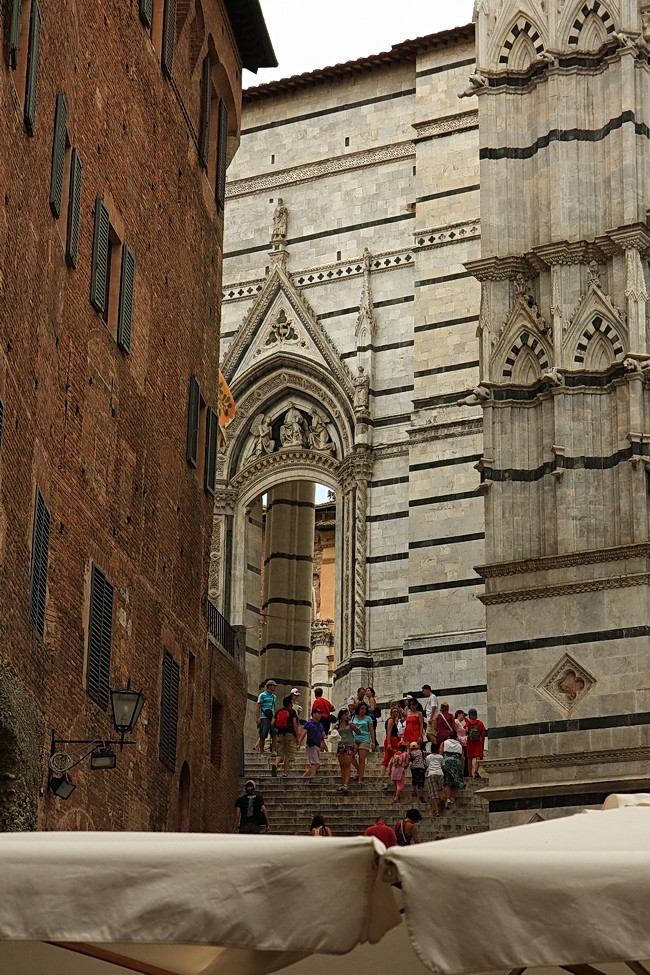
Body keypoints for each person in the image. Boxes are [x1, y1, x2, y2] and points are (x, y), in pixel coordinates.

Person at [273, 694, 302, 776]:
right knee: (288, 754)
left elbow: (272, 723)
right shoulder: (292, 712)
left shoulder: (278, 711)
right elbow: (295, 724)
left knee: (280, 753)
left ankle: (275, 764)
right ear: (290, 704)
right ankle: (285, 772)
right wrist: (297, 737)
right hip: (289, 734)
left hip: (280, 734)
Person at [351, 701, 375, 784]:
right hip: (354, 739)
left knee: (361, 758)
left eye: (365, 709)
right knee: (351, 756)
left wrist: (373, 741)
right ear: (358, 709)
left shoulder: (368, 718)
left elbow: (371, 730)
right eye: (362, 708)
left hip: (364, 739)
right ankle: (359, 770)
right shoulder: (353, 717)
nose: (363, 710)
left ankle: (360, 779)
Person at [442, 731, 464, 811]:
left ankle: (447, 799)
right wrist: (462, 767)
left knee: (447, 781)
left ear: (449, 736)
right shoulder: (459, 745)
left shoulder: (445, 743)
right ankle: (452, 797)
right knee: (456, 781)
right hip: (457, 763)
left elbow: (441, 752)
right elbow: (462, 757)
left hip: (447, 762)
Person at [335, 708, 356, 793]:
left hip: (349, 745)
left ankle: (346, 784)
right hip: (340, 745)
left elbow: (358, 732)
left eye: (348, 714)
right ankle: (343, 782)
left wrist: (355, 728)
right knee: (342, 765)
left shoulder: (350, 724)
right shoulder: (337, 725)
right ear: (341, 716)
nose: (347, 716)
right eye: (345, 714)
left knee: (347, 764)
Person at [302, 708, 326, 779]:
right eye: (319, 714)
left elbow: (323, 735)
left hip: (317, 746)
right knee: (314, 762)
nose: (320, 715)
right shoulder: (309, 723)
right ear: (314, 714)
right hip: (311, 745)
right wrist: (299, 742)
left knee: (316, 764)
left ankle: (304, 777)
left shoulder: (320, 725)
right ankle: (312, 777)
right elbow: (304, 733)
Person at [255, 679, 278, 756]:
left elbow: (274, 707)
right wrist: (258, 718)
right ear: (269, 686)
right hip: (264, 717)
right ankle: (261, 751)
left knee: (274, 734)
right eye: (273, 686)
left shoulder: (274, 697)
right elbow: (258, 707)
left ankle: (273, 751)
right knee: (263, 734)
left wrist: (274, 717)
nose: (274, 687)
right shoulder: (262, 695)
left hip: (272, 717)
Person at [465, 707, 487, 778]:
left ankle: (469, 774)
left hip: (470, 741)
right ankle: (476, 771)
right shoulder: (480, 723)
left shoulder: (468, 722)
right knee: (478, 757)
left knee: (469, 758)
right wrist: (482, 742)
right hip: (478, 742)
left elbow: (466, 731)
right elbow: (483, 733)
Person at [425, 741, 445, 816]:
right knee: (440, 790)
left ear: (431, 750)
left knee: (433, 794)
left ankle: (436, 811)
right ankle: (442, 799)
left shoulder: (428, 757)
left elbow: (427, 765)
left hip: (431, 774)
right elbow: (443, 766)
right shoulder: (441, 757)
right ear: (437, 750)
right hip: (440, 773)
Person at [380, 706, 401, 779]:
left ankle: (387, 773)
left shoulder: (394, 721)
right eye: (394, 711)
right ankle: (387, 773)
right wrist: (389, 743)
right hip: (391, 740)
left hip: (393, 740)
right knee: (392, 756)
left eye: (397, 711)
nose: (395, 713)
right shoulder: (391, 720)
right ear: (391, 713)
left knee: (389, 757)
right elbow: (389, 732)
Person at [455, 709, 469, 776]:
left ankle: (465, 772)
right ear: (458, 714)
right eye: (463, 715)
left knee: (465, 757)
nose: (464, 717)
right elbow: (455, 731)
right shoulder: (456, 721)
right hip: (459, 742)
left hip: (463, 742)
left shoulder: (461, 723)